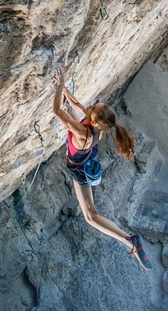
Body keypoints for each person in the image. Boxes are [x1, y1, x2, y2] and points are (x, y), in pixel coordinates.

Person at [52, 67, 151, 270]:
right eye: (96, 104)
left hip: (79, 169)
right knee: (72, 111)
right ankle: (129, 240)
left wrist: (60, 84)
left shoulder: (83, 132)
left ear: (94, 120)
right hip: (86, 160)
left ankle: (128, 240)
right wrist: (65, 92)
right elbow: (77, 105)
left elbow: (57, 111)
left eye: (94, 107)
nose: (91, 105)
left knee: (90, 215)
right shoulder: (99, 128)